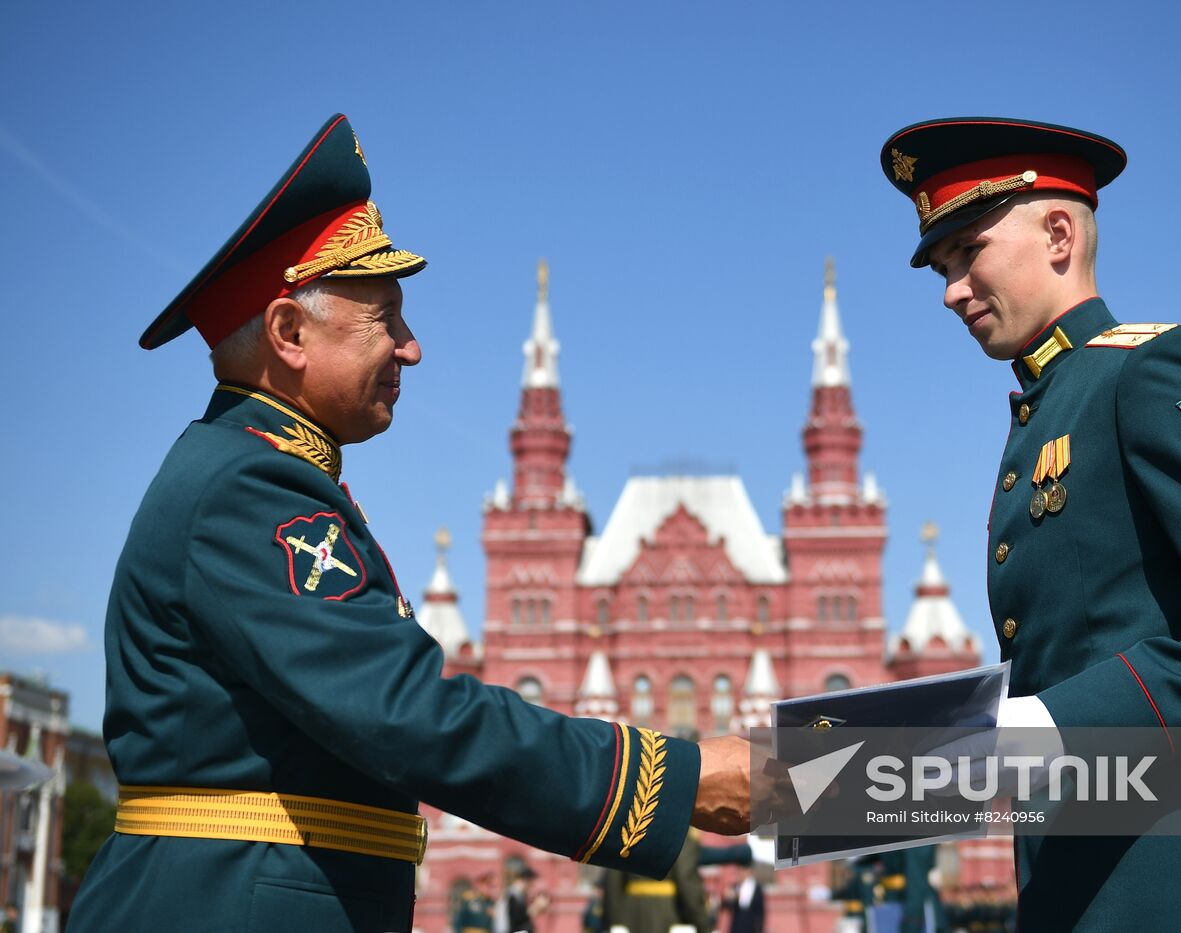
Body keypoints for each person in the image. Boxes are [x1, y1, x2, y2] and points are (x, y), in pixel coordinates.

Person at [65, 114, 750, 933]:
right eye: (385, 318)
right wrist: (676, 780)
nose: (412, 347)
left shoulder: (261, 472)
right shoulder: (248, 486)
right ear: (289, 333)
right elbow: (406, 712)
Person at [878, 116, 1181, 929]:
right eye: (942, 266)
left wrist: (1052, 723)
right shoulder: (1045, 411)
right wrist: (797, 783)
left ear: (1058, 232)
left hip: (1180, 879)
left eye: (968, 253)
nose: (950, 290)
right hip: (1079, 875)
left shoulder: (1149, 368)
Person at [603, 827, 710, 932]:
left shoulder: (629, 830)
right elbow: (687, 882)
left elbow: (613, 880)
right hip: (667, 914)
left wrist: (614, 920)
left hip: (631, 915)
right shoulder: (680, 835)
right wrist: (704, 924)